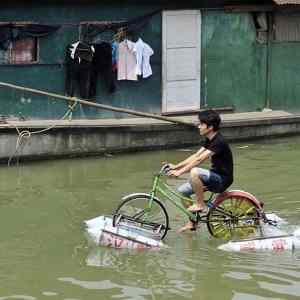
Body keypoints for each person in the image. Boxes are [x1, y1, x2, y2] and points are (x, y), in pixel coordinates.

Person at [167, 109, 233, 232]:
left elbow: (199, 160)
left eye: (201, 124)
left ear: (210, 127)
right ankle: (193, 222)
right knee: (182, 192)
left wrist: (180, 172)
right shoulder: (209, 139)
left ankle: (200, 204)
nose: (199, 126)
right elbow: (196, 156)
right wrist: (176, 166)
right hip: (213, 176)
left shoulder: (219, 141)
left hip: (222, 180)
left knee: (195, 171)